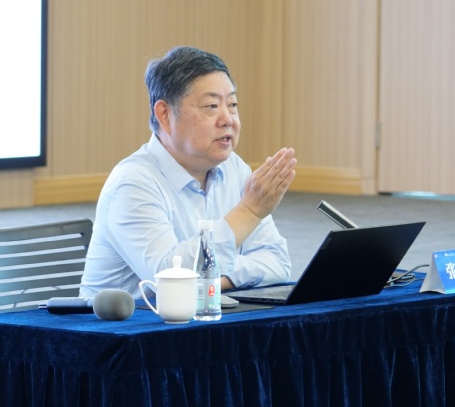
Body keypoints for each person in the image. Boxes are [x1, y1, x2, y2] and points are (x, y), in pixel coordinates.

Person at [79, 46, 297, 299]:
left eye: (233, 104)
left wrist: (211, 281)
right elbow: (171, 280)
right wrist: (249, 211)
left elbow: (277, 263)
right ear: (164, 114)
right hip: (127, 322)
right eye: (211, 106)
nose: (228, 119)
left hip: (205, 315)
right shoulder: (132, 183)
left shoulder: (234, 167)